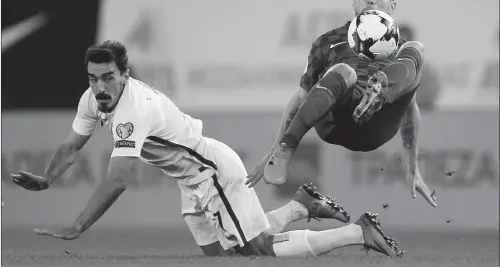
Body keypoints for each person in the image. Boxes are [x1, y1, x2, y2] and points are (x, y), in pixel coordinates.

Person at [10, 40, 404, 257]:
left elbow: (118, 180)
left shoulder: (134, 109)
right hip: (191, 181)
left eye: (108, 77)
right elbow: (71, 146)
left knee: (258, 250)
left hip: (212, 171)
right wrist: (46, 178)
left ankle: (356, 232)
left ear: (124, 75)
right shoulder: (93, 99)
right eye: (93, 78)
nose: (99, 87)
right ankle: (298, 207)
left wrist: (78, 226)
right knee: (221, 258)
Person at [245, 0, 438, 208]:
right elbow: (301, 97)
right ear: (354, 1)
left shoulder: (402, 49)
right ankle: (287, 149)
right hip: (337, 120)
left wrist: (412, 168)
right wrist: (274, 151)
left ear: (392, 5)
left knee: (416, 48)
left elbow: (409, 108)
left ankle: (378, 91)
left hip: (379, 123)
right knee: (344, 71)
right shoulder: (328, 42)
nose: (371, 0)